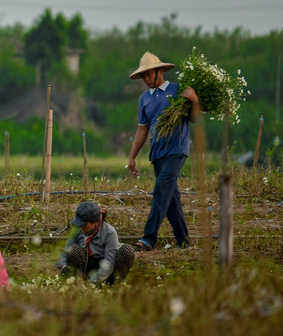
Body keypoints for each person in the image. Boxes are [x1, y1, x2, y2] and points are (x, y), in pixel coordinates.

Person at [126, 52, 200, 251]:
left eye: (149, 74)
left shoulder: (178, 90)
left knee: (160, 192)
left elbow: (193, 118)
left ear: (160, 71)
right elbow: (143, 129)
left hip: (176, 150)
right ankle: (184, 243)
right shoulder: (144, 99)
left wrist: (194, 100)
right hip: (157, 153)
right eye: (144, 76)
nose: (147, 79)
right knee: (171, 199)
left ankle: (149, 238)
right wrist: (132, 157)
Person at [56, 201, 134, 285]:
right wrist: (63, 266)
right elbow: (67, 249)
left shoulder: (109, 232)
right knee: (73, 249)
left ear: (96, 222)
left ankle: (113, 284)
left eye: (85, 226)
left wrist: (93, 282)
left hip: (106, 269)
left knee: (127, 250)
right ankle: (80, 280)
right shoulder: (78, 229)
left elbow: (109, 263)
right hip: (86, 266)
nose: (82, 228)